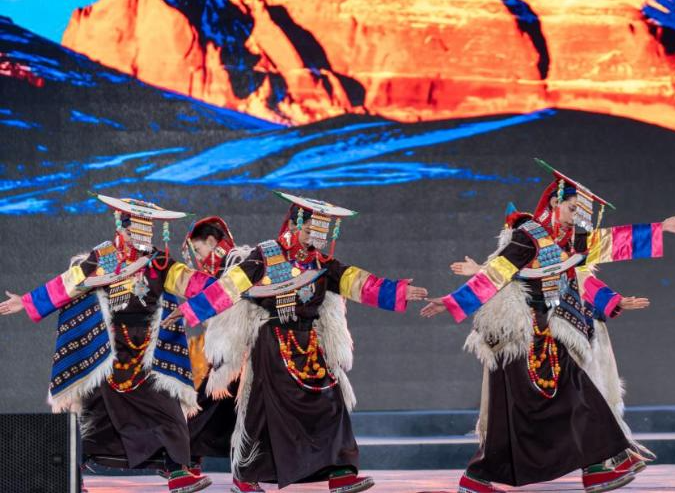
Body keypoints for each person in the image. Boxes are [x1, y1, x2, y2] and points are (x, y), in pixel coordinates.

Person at [422, 159, 675, 493]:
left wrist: (660, 228)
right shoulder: (528, 237)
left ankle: (597, 466)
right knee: (514, 417)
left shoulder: (571, 241)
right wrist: (451, 301)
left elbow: (610, 241)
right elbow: (494, 274)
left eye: (580, 212)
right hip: (520, 336)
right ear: (555, 202)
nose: (576, 216)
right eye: (572, 208)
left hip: (549, 334)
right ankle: (479, 477)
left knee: (578, 395)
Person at [165, 192, 428, 493]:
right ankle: (245, 477)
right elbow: (228, 287)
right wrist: (190, 309)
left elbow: (359, 283)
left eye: (321, 231)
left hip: (309, 344)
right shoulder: (265, 255)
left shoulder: (322, 264)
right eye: (311, 229)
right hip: (272, 344)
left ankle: (341, 472)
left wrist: (398, 292)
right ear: (294, 225)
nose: (316, 237)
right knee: (262, 412)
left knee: (332, 404)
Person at [0, 195, 217, 493]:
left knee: (167, 409)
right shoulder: (103, 258)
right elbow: (68, 283)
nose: (141, 237)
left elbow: (193, 283)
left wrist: (229, 287)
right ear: (122, 229)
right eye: (135, 230)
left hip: (146, 353)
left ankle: (178, 471)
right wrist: (26, 302)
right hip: (107, 351)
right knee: (95, 415)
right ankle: (72, 475)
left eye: (147, 231)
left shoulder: (159, 263)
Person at [181, 217, 245, 489]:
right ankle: (186, 459)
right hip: (227, 353)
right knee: (211, 405)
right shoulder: (220, 268)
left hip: (241, 351)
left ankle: (185, 459)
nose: (198, 258)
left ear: (211, 241)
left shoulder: (238, 261)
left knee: (216, 406)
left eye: (198, 250)